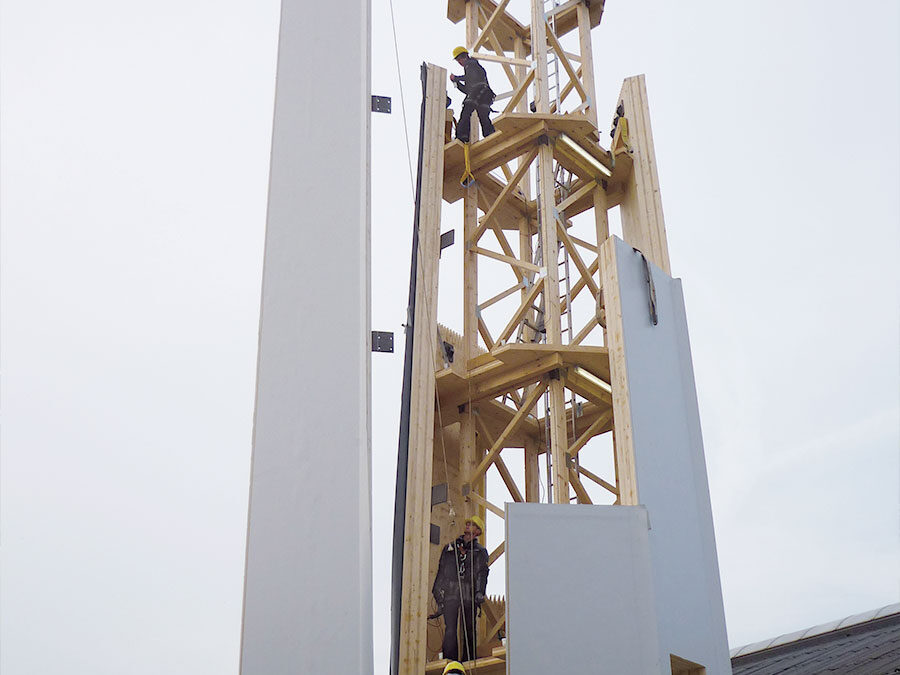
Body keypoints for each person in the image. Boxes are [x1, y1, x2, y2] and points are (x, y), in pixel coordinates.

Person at [432, 515, 489, 663]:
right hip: (451, 593)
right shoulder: (450, 548)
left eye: (472, 524)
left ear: (477, 531)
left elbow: (482, 573)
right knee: (450, 629)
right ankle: (450, 662)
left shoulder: (480, 552)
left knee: (469, 629)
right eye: (468, 523)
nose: (468, 526)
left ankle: (469, 661)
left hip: (469, 594)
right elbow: (441, 570)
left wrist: (479, 592)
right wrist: (437, 592)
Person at [449, 47, 495, 143]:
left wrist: (456, 78)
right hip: (485, 94)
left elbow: (470, 77)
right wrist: (457, 84)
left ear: (464, 57)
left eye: (459, 60)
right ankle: (490, 134)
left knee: (466, 111)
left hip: (479, 91)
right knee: (483, 114)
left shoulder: (471, 64)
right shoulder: (473, 67)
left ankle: (462, 136)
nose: (459, 63)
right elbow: (467, 90)